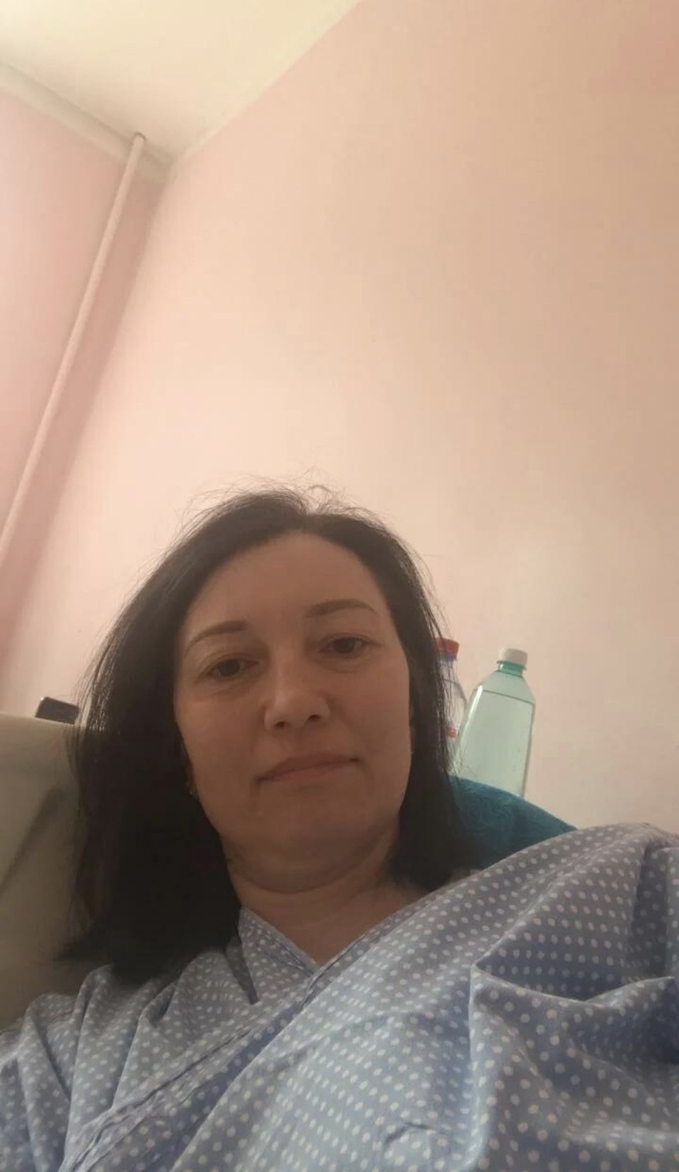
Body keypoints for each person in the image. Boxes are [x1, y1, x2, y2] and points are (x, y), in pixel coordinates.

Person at [0, 486, 677, 1172]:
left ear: (414, 701)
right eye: (229, 665)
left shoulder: (622, 888)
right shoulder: (70, 1064)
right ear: (178, 750)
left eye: (344, 644)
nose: (294, 702)